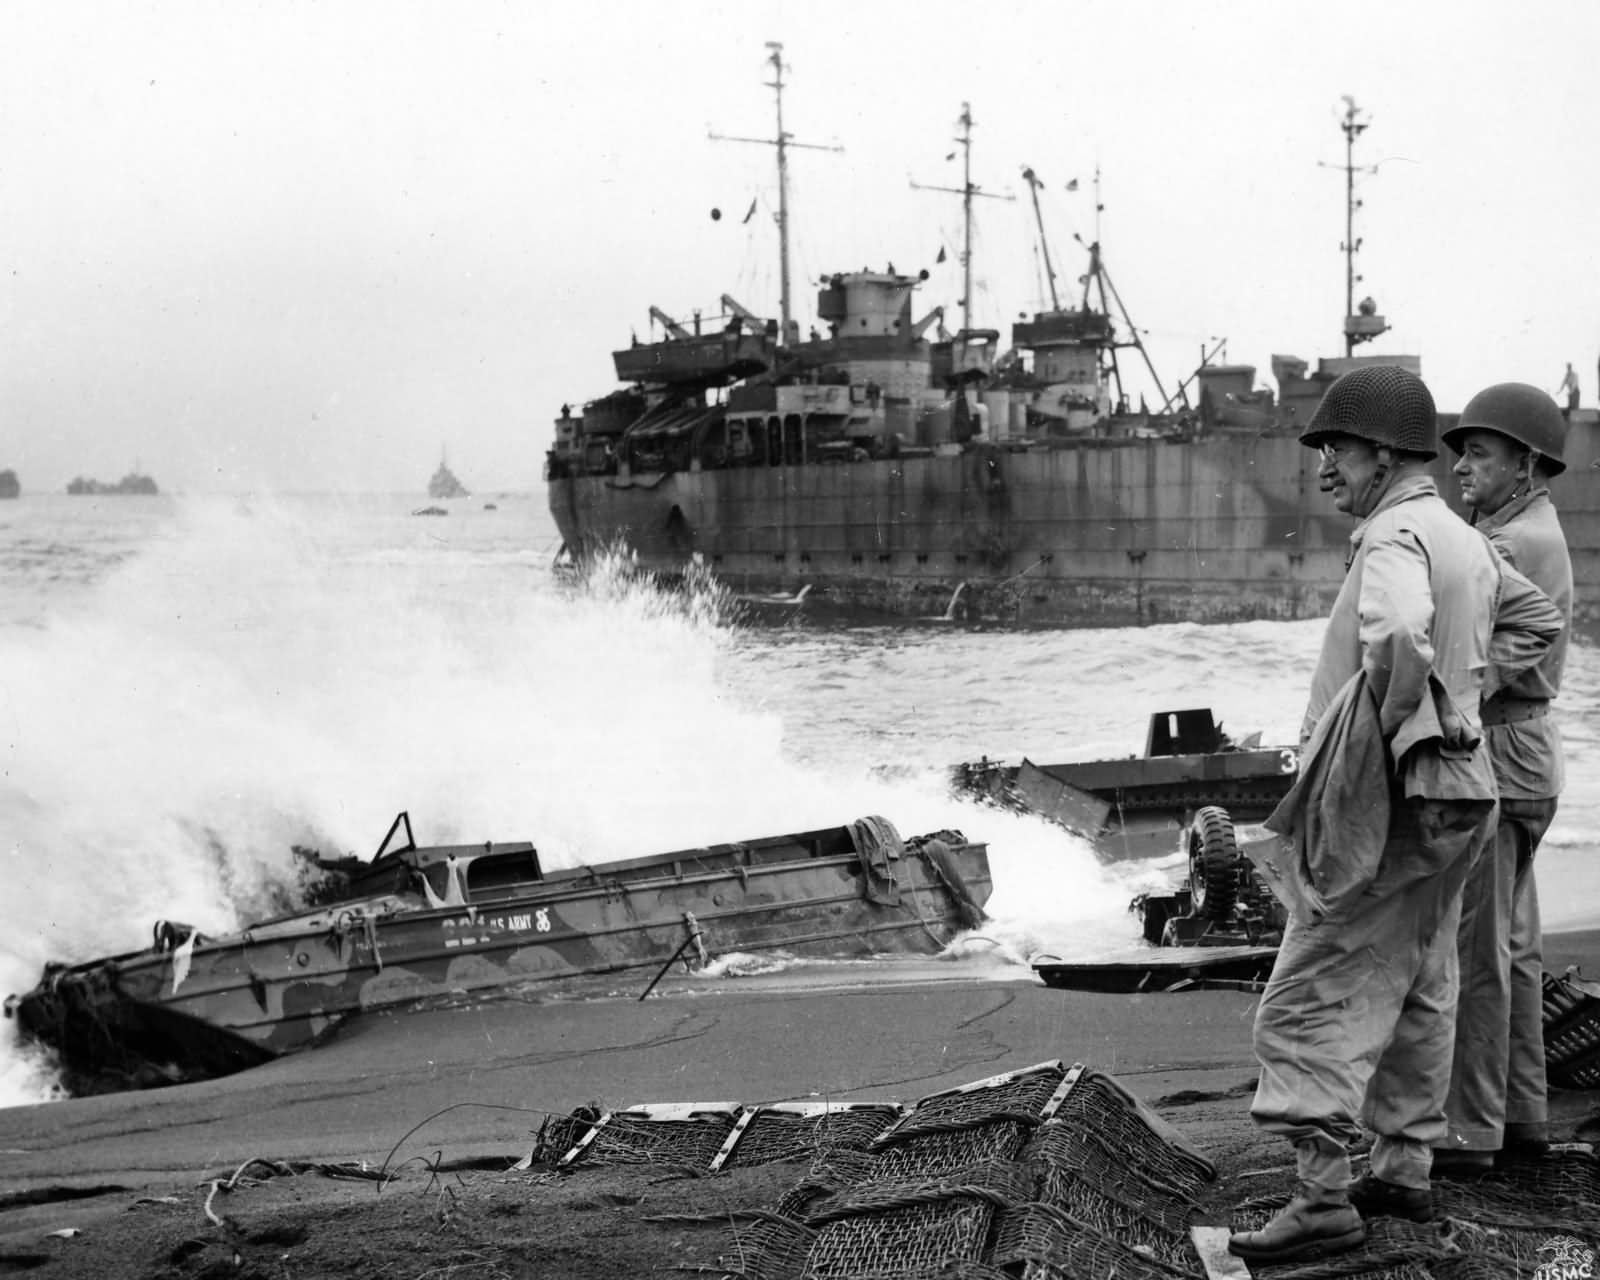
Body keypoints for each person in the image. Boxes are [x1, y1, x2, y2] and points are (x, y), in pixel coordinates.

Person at [1228, 364, 1563, 1266]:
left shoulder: (1393, 537)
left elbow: (1398, 634)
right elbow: (1541, 628)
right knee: (1422, 980)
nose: (1324, 466)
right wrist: (1467, 710)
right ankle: (1405, 1167)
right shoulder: (1460, 533)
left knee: (1305, 993)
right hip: (1467, 794)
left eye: (1334, 447)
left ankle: (1321, 1197)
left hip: (1397, 799)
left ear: (1380, 451)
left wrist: (1400, 733)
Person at [1437, 383, 1573, 1174]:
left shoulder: (1510, 545)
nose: (1461, 465)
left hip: (1502, 758)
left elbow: (1469, 662)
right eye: (1461, 450)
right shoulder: (1530, 526)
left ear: (1525, 462)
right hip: (1530, 757)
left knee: (1478, 951)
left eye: (1479, 452)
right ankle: (1521, 1118)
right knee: (1515, 947)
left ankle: (1472, 1130)